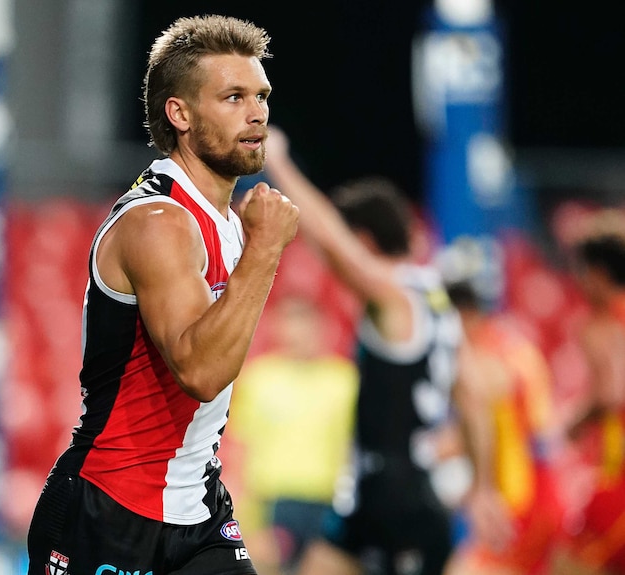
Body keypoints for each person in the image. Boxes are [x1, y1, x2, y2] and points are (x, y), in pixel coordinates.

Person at [25, 14, 299, 575]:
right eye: (232, 97)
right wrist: (265, 251)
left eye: (261, 96)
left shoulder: (221, 217)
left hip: (198, 510)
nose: (257, 113)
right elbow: (199, 370)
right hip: (110, 513)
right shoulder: (160, 221)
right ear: (180, 114)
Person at [265, 126, 463, 575]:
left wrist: (278, 163)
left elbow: (334, 245)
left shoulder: (394, 297)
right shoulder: (436, 298)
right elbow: (470, 393)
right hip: (393, 488)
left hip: (393, 494)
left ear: (366, 242)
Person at [436, 239, 566, 575]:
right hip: (542, 490)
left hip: (517, 499)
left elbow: (479, 427)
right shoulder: (517, 345)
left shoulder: (479, 358)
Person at [227, 291, 359, 575]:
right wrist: (247, 519)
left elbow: (354, 448)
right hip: (271, 502)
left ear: (321, 327)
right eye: (289, 322)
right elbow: (239, 448)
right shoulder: (258, 377)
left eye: (304, 323)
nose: (297, 332)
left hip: (327, 503)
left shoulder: (345, 380)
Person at [550, 211, 625, 575]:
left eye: (582, 271)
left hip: (618, 480)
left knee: (567, 566)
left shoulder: (600, 325)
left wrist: (572, 425)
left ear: (598, 274)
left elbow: (611, 391)